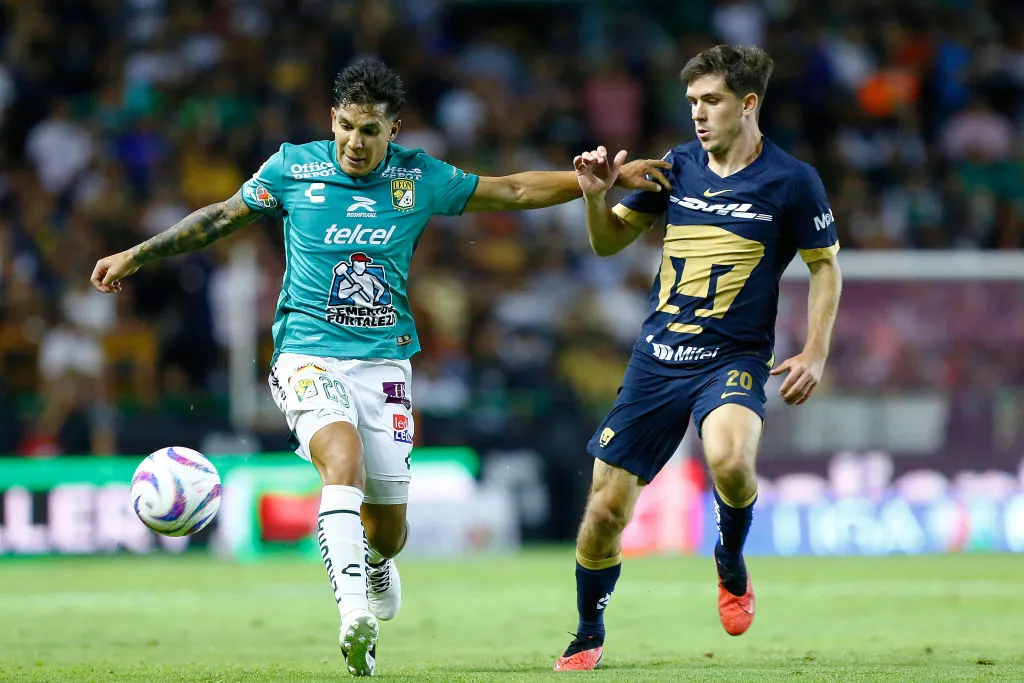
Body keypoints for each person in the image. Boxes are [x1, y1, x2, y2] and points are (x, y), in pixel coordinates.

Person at [90, 58, 670, 678]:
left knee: (389, 531)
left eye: (370, 130)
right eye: (345, 126)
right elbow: (218, 217)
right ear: (331, 119)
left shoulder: (420, 178)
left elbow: (514, 189)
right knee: (342, 461)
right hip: (306, 356)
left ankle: (375, 563)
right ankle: (353, 617)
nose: (354, 143)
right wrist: (136, 254)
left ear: (394, 129)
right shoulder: (293, 167)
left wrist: (596, 183)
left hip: (385, 364)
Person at [556, 44, 843, 671]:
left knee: (731, 461)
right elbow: (608, 245)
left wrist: (815, 352)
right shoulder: (676, 166)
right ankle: (586, 630)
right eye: (691, 102)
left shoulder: (793, 180)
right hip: (656, 360)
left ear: (747, 104)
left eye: (710, 101)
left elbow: (825, 268)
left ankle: (730, 558)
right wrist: (592, 197)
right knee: (605, 509)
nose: (698, 114)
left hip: (732, 358)